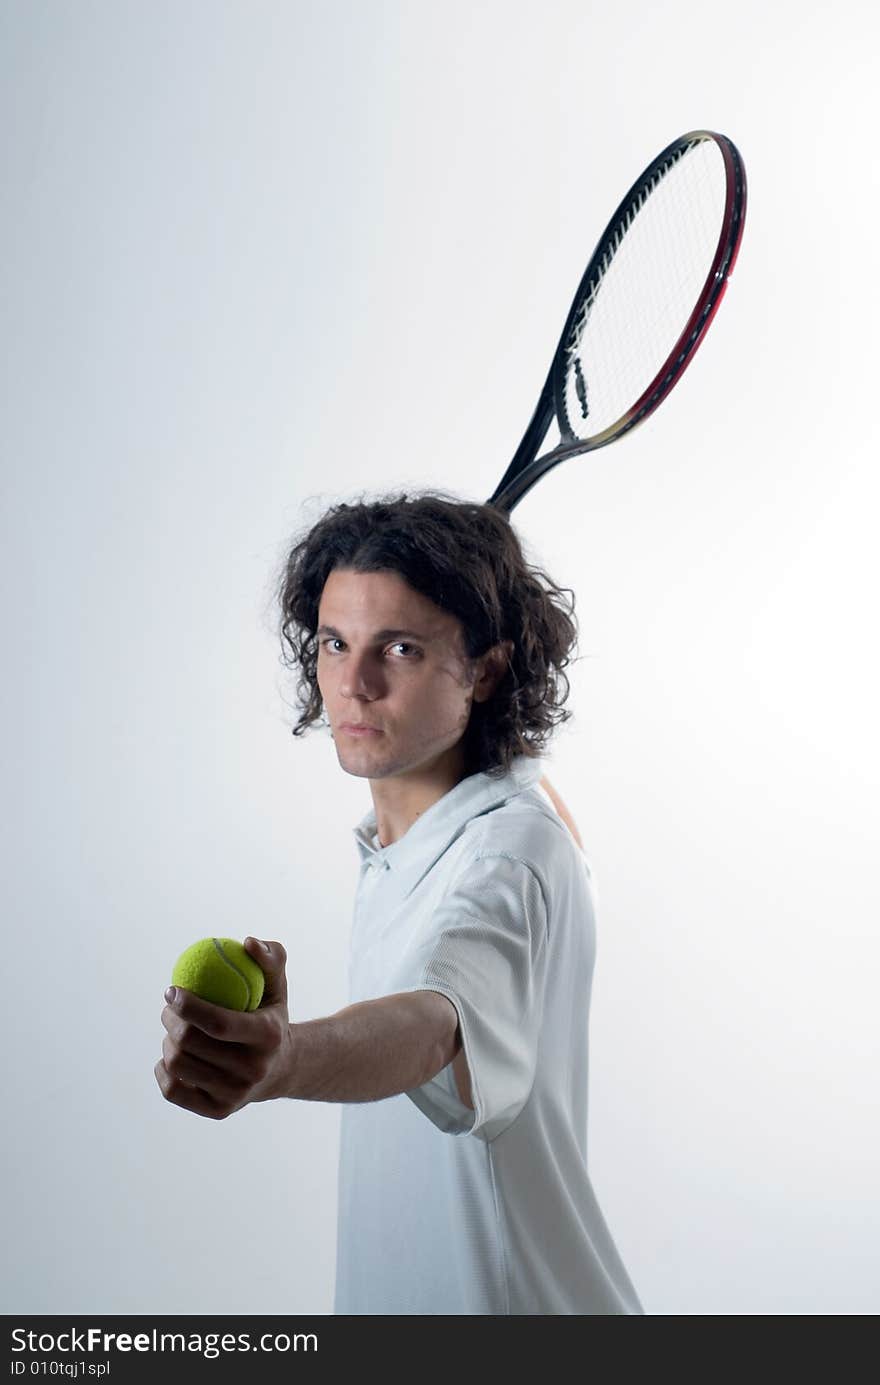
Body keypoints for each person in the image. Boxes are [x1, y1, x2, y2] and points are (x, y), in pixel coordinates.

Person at [155, 490, 644, 1316]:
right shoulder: (425, 833)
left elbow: (436, 1018)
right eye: (336, 641)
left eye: (402, 649)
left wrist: (286, 1060)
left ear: (487, 666)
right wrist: (453, 656)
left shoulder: (506, 852)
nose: (354, 682)